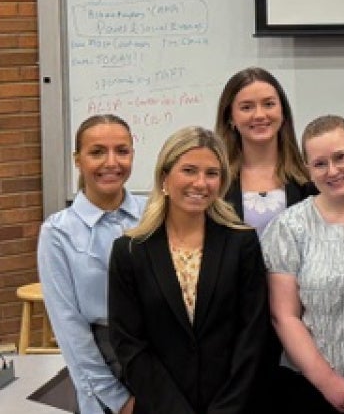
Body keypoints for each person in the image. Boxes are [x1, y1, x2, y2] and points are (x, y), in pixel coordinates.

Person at [108, 126, 270, 413]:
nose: (200, 183)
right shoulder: (130, 251)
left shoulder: (242, 243)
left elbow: (254, 337)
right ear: (164, 178)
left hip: (235, 407)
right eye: (189, 170)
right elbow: (129, 344)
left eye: (211, 173)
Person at [262, 116, 344, 413]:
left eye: (340, 157)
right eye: (320, 164)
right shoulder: (289, 227)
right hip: (313, 390)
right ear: (308, 170)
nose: (333, 171)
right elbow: (284, 315)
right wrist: (328, 382)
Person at [38, 115, 146, 414]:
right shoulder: (58, 233)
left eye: (122, 151)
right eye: (97, 152)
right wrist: (118, 400)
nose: (111, 162)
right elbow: (70, 328)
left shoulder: (154, 216)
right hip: (103, 362)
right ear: (77, 159)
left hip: (160, 362)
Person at [215, 67, 316, 235]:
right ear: (230, 118)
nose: (260, 115)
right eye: (247, 107)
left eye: (268, 104)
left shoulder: (309, 179)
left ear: (283, 112)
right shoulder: (216, 183)